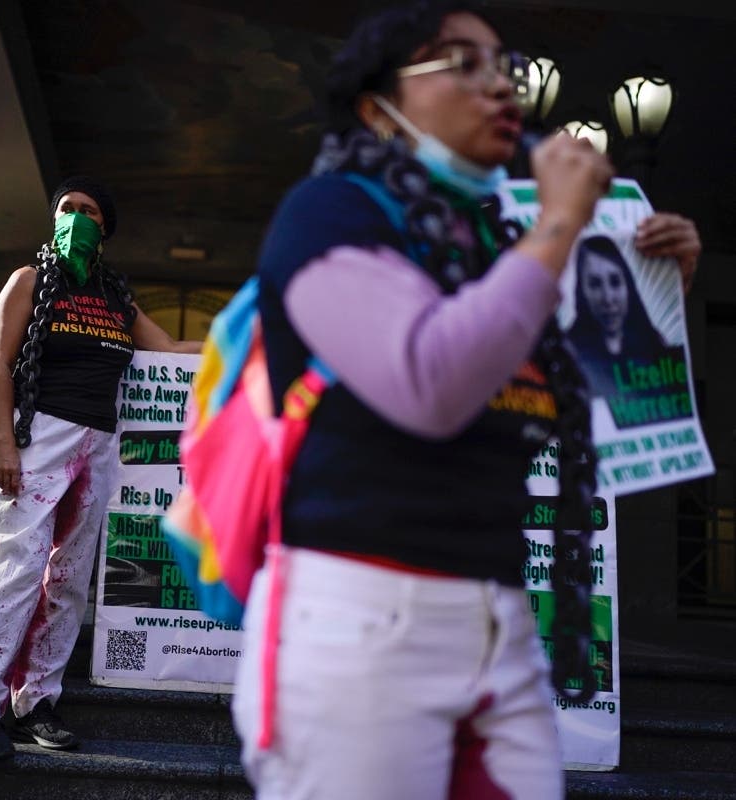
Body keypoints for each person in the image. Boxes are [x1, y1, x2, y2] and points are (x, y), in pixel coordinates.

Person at [228, 2, 699, 799]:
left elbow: (548, 387)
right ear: (378, 106)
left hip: (497, 617)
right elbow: (431, 383)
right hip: (359, 621)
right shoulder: (328, 212)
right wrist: (556, 226)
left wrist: (654, 290)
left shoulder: (490, 237)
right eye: (461, 63)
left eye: (501, 63)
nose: (500, 86)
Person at [0, 176, 201, 759]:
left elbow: (167, 348)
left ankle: (36, 700)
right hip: (37, 436)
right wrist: (4, 445)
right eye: (67, 208)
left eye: (88, 211)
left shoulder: (117, 299)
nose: (76, 217)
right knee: (14, 574)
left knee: (67, 581)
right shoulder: (28, 282)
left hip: (98, 447)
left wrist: (241, 341)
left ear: (104, 229)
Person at [566, 234, 692, 397]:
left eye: (615, 282)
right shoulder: (565, 355)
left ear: (628, 286)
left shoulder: (658, 350)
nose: (608, 298)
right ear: (581, 292)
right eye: (595, 284)